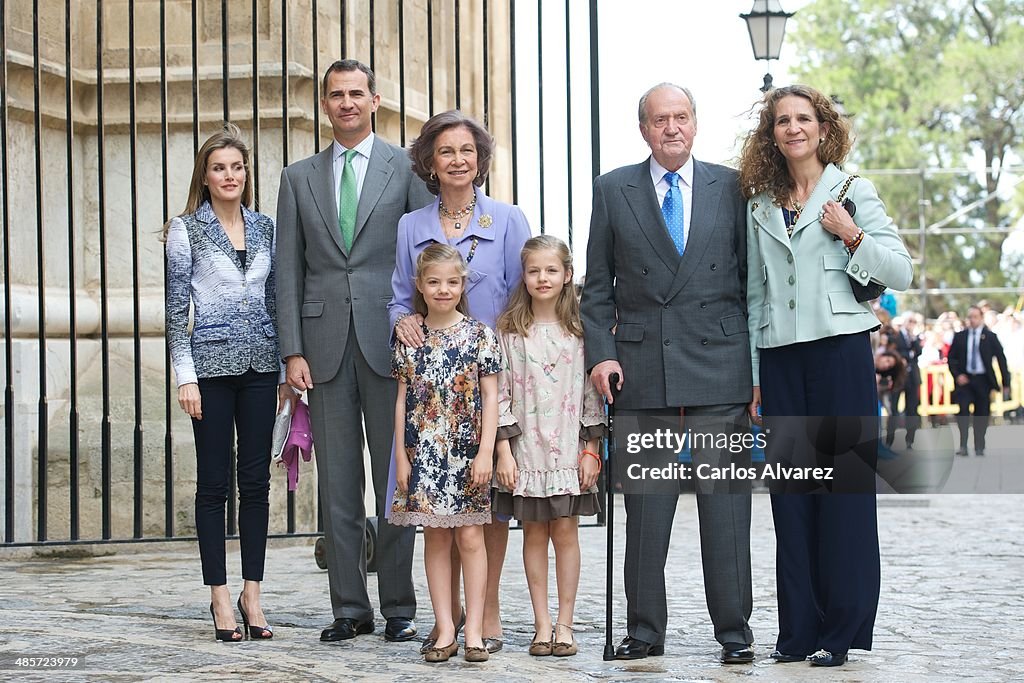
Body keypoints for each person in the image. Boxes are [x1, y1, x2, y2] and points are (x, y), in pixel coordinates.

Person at [580, 82, 756, 664]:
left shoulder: (732, 187)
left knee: (724, 508)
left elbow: (751, 282)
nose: (672, 128)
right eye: (660, 120)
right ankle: (644, 632)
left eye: (681, 117)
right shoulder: (612, 190)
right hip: (641, 371)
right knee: (647, 511)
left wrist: (755, 371)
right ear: (644, 128)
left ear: (695, 124)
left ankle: (734, 633)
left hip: (719, 368)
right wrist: (602, 354)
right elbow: (596, 291)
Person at [738, 84, 914, 667]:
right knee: (791, 498)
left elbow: (900, 270)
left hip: (840, 353)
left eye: (803, 118)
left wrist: (852, 234)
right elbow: (755, 296)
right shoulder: (760, 203)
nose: (793, 128)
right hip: (783, 361)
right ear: (772, 133)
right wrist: (758, 374)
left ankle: (840, 633)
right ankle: (796, 633)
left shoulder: (852, 190)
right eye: (782, 120)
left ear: (822, 127)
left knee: (842, 494)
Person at [275, 59, 432, 644]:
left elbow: (427, 252)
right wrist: (292, 351)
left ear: (375, 99)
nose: (345, 103)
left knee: (396, 480)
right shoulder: (297, 178)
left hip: (393, 344)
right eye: (335, 95)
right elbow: (288, 272)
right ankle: (348, 607)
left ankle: (398, 606)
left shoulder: (405, 168)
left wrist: (421, 318)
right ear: (325, 104)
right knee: (337, 484)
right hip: (322, 351)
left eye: (355, 93)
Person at [388, 109, 532, 654]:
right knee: (438, 513)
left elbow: (525, 294)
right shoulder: (411, 226)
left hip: (492, 375)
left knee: (487, 502)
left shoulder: (508, 219)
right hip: (433, 388)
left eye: (466, 151)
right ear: (429, 161)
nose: (457, 160)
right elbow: (401, 295)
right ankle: (445, 616)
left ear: (481, 160)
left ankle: (486, 610)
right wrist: (400, 321)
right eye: (445, 151)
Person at [165, 123, 292, 641]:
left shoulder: (265, 227)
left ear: (246, 173)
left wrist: (286, 371)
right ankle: (219, 598)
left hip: (262, 368)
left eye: (237, 167)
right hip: (209, 372)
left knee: (257, 483)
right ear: (206, 175)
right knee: (213, 483)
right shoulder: (185, 230)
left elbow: (276, 302)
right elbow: (176, 311)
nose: (230, 175)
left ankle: (252, 595)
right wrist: (184, 377)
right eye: (220, 167)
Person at [492, 235, 604, 658]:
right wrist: (503, 451)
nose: (543, 278)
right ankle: (541, 625)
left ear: (567, 275)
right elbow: (499, 393)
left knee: (566, 534)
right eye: (534, 270)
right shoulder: (509, 332)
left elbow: (593, 393)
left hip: (570, 454)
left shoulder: (580, 331)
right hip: (526, 456)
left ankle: (565, 624)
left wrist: (591, 447)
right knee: (534, 536)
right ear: (523, 275)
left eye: (551, 270)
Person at [390, 244, 502, 663]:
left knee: (471, 537)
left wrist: (486, 452)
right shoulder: (410, 338)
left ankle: (474, 630)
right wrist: (402, 455)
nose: (443, 289)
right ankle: (444, 628)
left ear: (462, 285)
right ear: (420, 285)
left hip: (467, 452)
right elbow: (402, 400)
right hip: (424, 454)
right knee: (435, 537)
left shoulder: (479, 335)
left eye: (451, 282)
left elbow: (491, 398)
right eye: (434, 282)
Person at [948, 305, 1011, 456]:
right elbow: (951, 359)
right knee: (963, 409)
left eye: (975, 317)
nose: (972, 320)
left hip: (983, 380)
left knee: (981, 413)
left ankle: (979, 445)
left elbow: (1001, 360)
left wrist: (1005, 383)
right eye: (970, 317)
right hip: (965, 380)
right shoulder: (960, 336)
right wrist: (957, 375)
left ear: (981, 318)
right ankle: (963, 445)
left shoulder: (990, 337)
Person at [892, 313, 923, 448]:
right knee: (894, 408)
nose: (911, 324)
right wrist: (906, 356)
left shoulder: (913, 337)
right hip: (899, 377)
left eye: (914, 322)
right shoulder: (896, 336)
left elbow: (919, 351)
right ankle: (890, 439)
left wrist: (913, 337)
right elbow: (895, 352)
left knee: (912, 409)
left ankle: (910, 439)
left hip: (912, 377)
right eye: (909, 321)